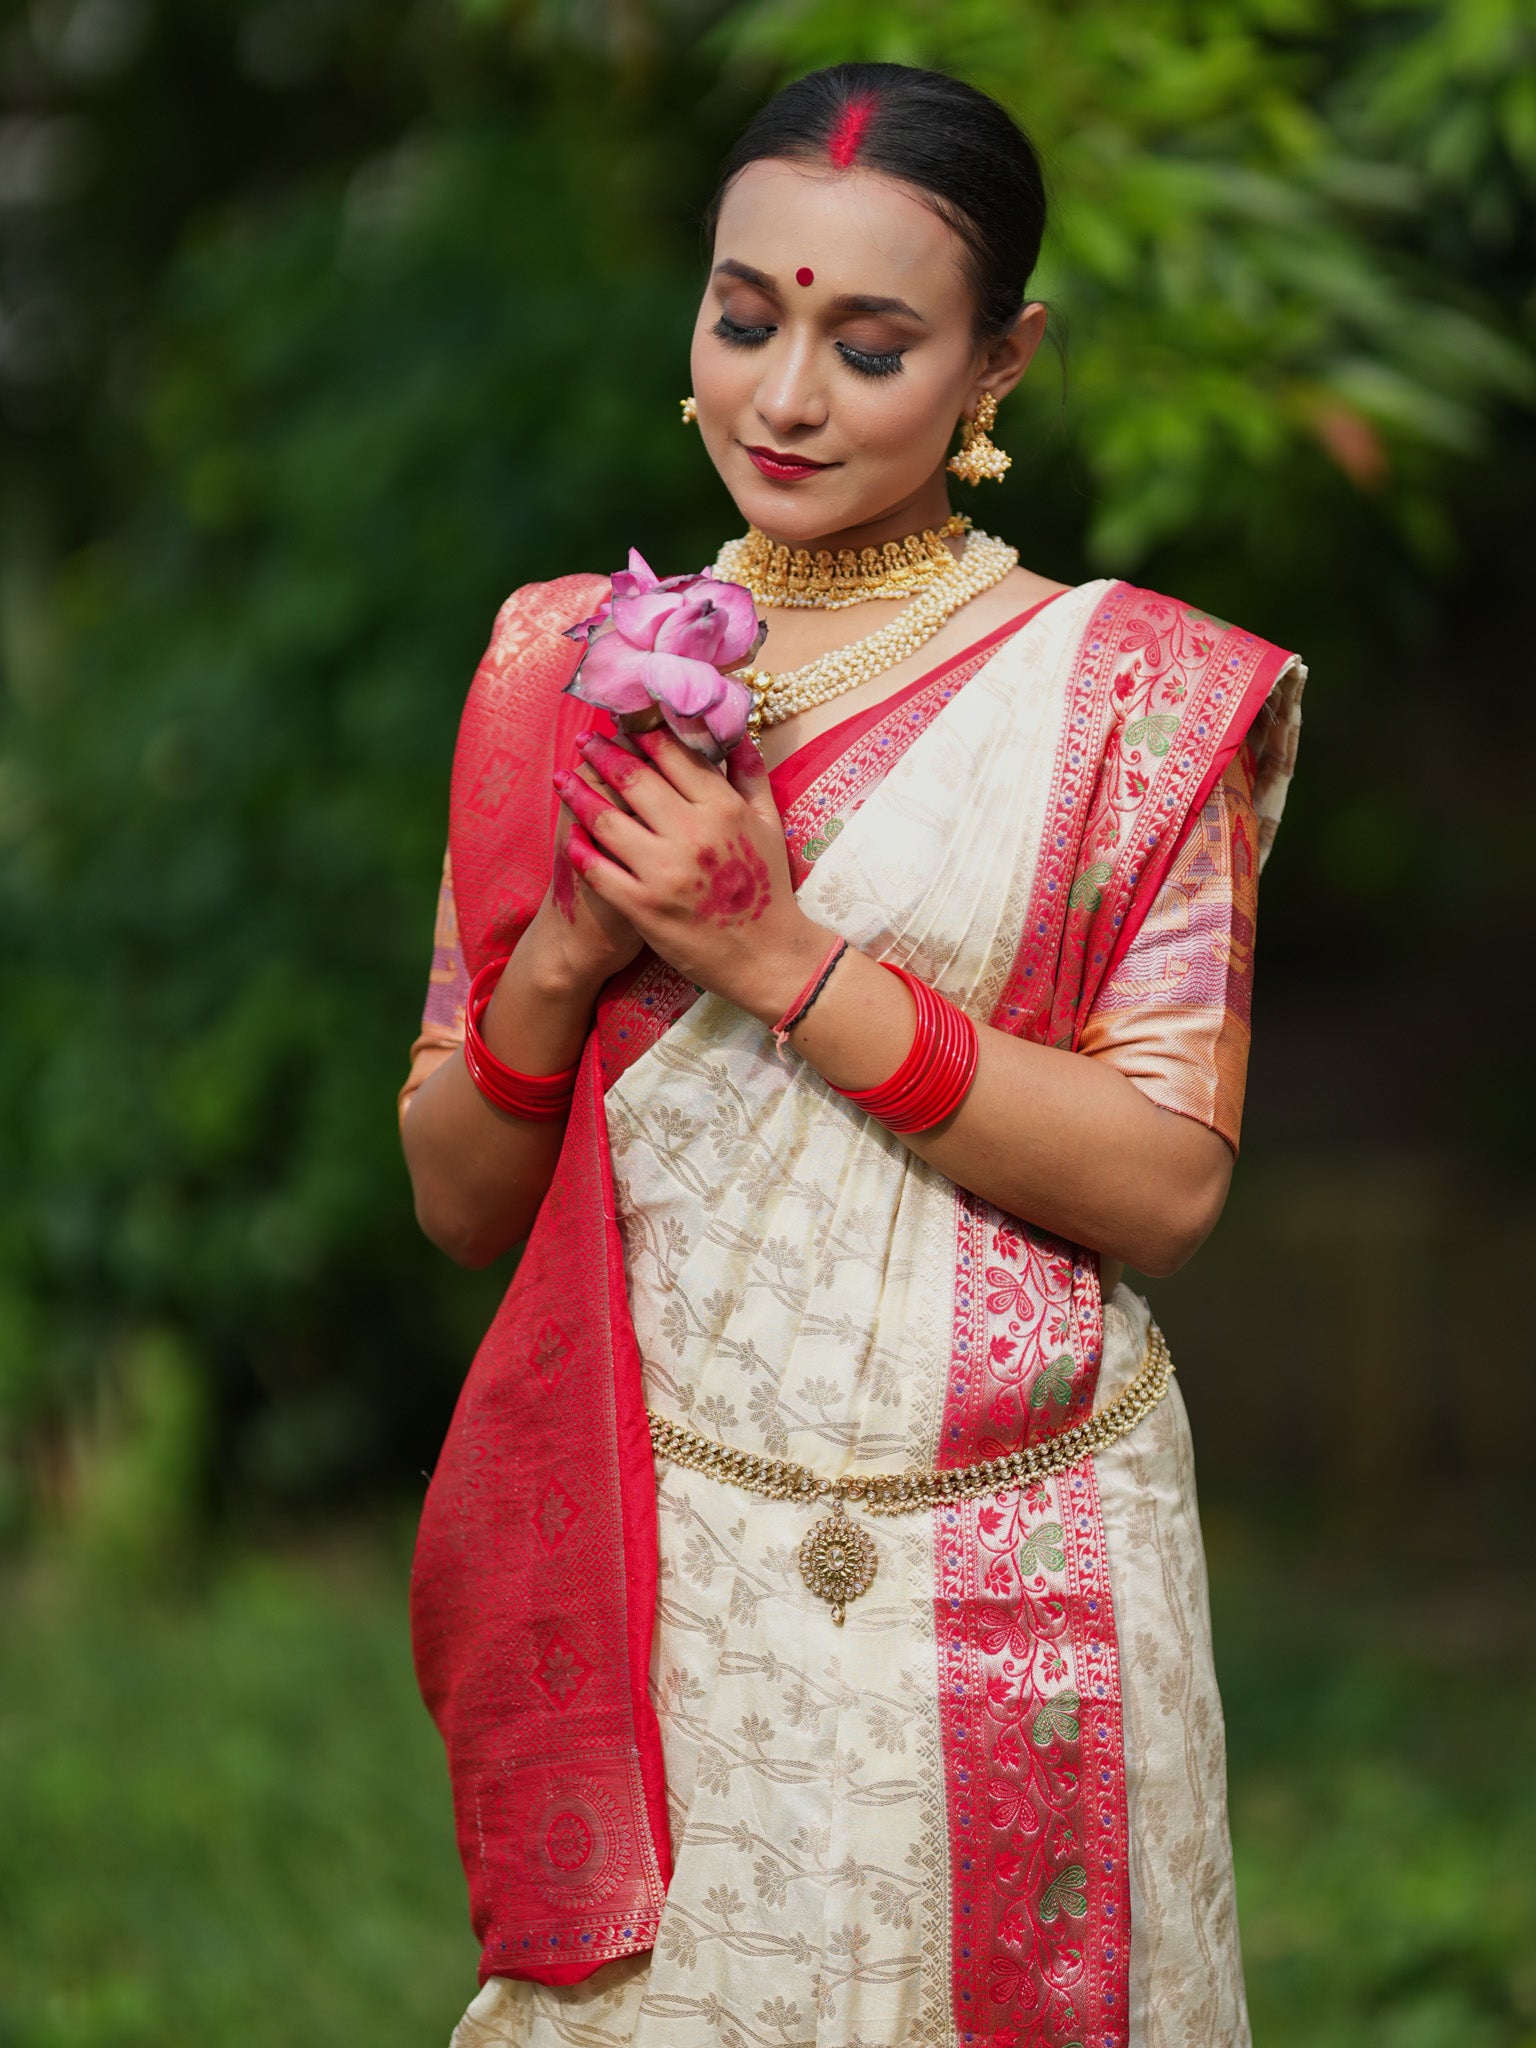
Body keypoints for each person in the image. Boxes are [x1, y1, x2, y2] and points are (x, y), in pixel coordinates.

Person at [398, 61, 1304, 2048]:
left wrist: (778, 952)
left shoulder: (1132, 703)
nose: (785, 395)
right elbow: (463, 1203)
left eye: (871, 342)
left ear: (1002, 364)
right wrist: (564, 951)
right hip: (673, 1579)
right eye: (746, 315)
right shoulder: (564, 672)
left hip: (1027, 1590)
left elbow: (1167, 1179)